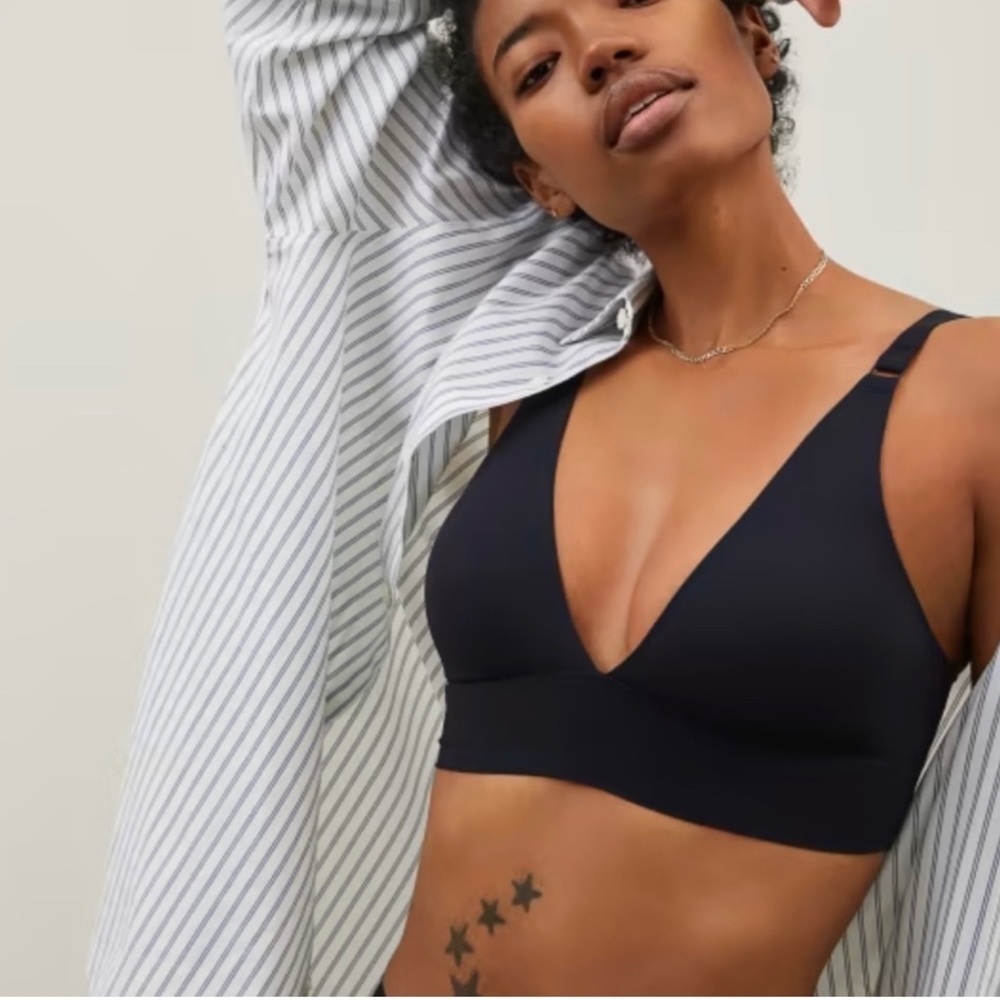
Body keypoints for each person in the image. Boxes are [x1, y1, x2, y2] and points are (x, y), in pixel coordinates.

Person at [88, 0, 1000, 995]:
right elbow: (300, 29)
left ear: (754, 32)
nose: (599, 50)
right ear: (541, 181)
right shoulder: (516, 365)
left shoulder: (965, 394)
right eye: (536, 69)